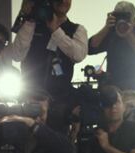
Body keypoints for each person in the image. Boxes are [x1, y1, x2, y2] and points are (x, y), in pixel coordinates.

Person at [8, 0, 87, 129]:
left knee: (56, 140)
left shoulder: (77, 29)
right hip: (29, 100)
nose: (63, 1)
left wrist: (56, 30)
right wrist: (29, 17)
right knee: (26, 139)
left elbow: (78, 55)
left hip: (59, 104)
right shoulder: (32, 25)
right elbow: (16, 55)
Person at [88, 1, 135, 101]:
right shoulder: (112, 33)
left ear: (134, 19)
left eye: (126, 16)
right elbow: (90, 48)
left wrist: (128, 34)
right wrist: (106, 27)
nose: (122, 20)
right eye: (118, 16)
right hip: (113, 93)